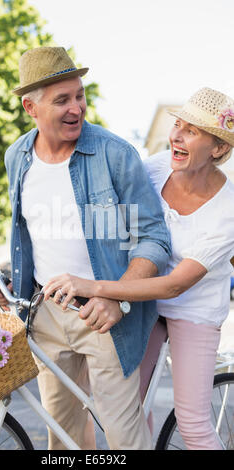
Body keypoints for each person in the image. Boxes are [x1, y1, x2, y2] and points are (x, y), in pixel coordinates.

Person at [0, 46, 171, 450]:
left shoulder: (114, 154)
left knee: (124, 436)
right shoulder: (16, 156)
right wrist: (13, 284)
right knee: (64, 435)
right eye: (62, 100)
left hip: (104, 312)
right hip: (47, 313)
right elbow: (32, 231)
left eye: (79, 95)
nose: (77, 108)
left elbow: (153, 238)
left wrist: (116, 299)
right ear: (30, 108)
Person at [44, 87, 234, 450]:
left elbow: (175, 286)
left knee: (192, 425)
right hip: (141, 299)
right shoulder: (154, 168)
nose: (176, 135)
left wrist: (97, 287)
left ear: (219, 148)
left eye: (191, 131)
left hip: (193, 310)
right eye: (177, 124)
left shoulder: (228, 211)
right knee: (128, 412)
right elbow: (111, 221)